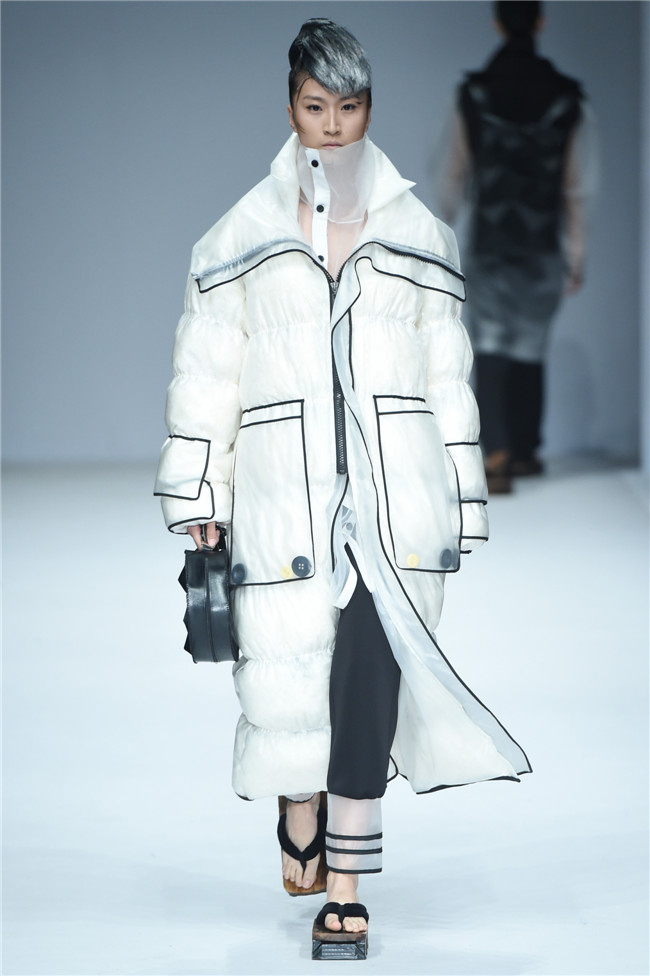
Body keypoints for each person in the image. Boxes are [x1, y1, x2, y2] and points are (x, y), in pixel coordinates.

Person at [155, 18, 531, 951]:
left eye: (349, 106)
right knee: (286, 676)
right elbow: (208, 375)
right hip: (281, 493)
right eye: (315, 105)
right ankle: (299, 800)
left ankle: (348, 887)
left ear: (370, 108)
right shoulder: (237, 239)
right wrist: (199, 491)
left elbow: (448, 377)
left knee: (369, 677)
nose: (332, 124)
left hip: (392, 497)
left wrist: (462, 498)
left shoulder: (420, 238)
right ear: (290, 106)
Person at [437, 0, 598, 493]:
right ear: (541, 21)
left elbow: (452, 171)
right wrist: (576, 254)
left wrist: (443, 228)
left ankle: (497, 454)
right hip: (542, 241)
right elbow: (578, 186)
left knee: (489, 342)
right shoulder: (569, 98)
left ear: (497, 22)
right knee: (531, 340)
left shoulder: (473, 94)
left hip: (489, 237)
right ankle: (527, 451)